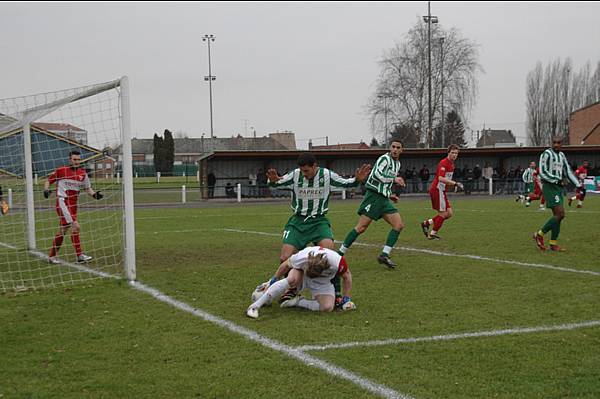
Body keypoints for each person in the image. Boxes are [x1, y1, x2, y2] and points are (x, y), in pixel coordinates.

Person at [267, 152, 370, 302]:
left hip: (319, 222)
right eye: (302, 170)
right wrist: (273, 181)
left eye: (307, 171)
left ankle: (336, 293)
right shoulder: (296, 175)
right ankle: (292, 288)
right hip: (298, 222)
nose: (304, 174)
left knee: (329, 253)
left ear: (315, 166)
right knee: (284, 257)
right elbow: (277, 183)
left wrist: (357, 180)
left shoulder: (326, 175)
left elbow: (345, 183)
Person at [337, 140, 405, 269]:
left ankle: (384, 255)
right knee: (361, 228)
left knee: (398, 225)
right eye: (393, 147)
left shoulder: (397, 164)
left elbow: (385, 182)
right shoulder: (384, 159)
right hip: (373, 197)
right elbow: (377, 174)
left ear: (402, 150)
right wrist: (394, 179)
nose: (395, 149)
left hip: (384, 199)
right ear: (390, 148)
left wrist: (389, 194)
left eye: (398, 148)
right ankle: (339, 255)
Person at [246, 246, 354, 319]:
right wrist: (271, 281)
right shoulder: (303, 256)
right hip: (302, 272)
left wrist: (346, 299)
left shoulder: (337, 262)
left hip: (322, 281)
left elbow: (347, 277)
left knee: (327, 308)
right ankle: (254, 306)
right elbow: (285, 265)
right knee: (292, 278)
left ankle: (297, 301)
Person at [44, 150, 103, 264]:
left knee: (63, 230)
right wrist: (46, 190)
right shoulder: (61, 171)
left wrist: (95, 195)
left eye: (78, 159)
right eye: (74, 159)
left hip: (73, 205)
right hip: (63, 203)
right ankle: (80, 255)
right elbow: (48, 180)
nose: (76, 161)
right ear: (69, 160)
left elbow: (87, 188)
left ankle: (51, 257)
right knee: (75, 226)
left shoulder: (82, 174)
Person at [533, 137, 582, 252]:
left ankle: (553, 244)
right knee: (560, 214)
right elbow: (543, 172)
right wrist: (557, 180)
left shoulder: (562, 156)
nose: (556, 145)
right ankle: (539, 234)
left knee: (558, 216)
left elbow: (568, 171)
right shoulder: (546, 154)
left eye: (558, 143)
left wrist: (578, 184)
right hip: (550, 187)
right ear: (551, 143)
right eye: (554, 143)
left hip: (558, 188)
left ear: (562, 144)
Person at [420, 144, 463, 240]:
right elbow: (441, 178)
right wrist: (455, 183)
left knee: (449, 213)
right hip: (437, 190)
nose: (454, 155)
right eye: (452, 153)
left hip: (441, 191)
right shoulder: (444, 163)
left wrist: (452, 186)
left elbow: (446, 179)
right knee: (443, 214)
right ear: (448, 153)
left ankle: (426, 223)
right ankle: (432, 234)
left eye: (456, 153)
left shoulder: (452, 164)